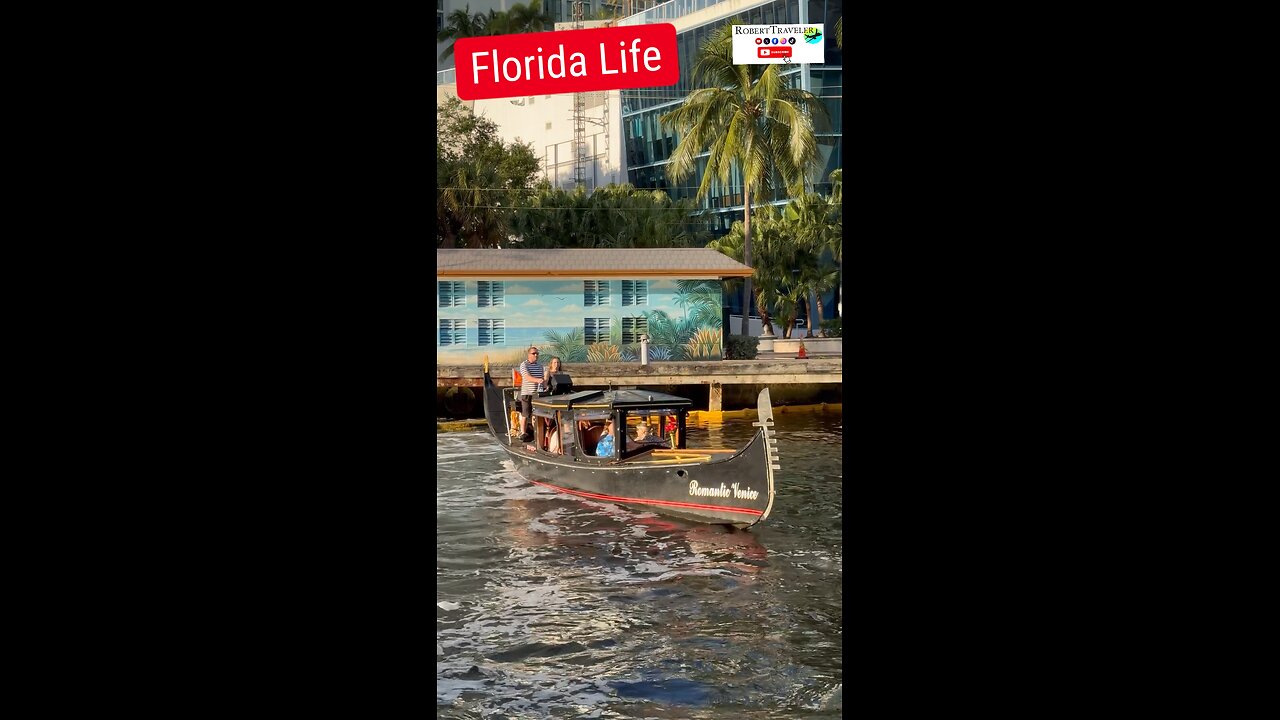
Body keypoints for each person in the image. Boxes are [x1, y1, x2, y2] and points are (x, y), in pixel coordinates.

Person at [517, 346, 545, 441]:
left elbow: (542, 379)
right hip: (527, 393)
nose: (536, 355)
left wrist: (544, 384)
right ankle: (523, 432)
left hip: (537, 394)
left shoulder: (540, 366)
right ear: (529, 355)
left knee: (536, 414)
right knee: (525, 414)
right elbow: (527, 377)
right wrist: (538, 380)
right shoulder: (524, 365)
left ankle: (537, 434)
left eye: (537, 353)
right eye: (534, 353)